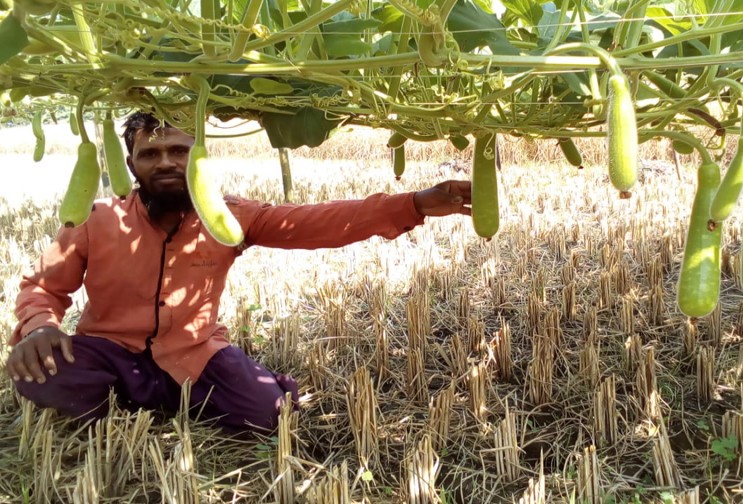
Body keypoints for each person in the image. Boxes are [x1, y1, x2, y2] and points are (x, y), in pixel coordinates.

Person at [5, 112, 472, 433]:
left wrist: (413, 204)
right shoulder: (95, 218)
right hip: (110, 350)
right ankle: (143, 395)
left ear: (199, 158)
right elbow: (44, 286)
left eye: (178, 150)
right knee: (37, 375)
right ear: (130, 164)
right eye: (150, 154)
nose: (166, 161)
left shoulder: (230, 217)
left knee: (266, 414)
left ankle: (156, 397)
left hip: (193, 353)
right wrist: (39, 326)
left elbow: (314, 223)